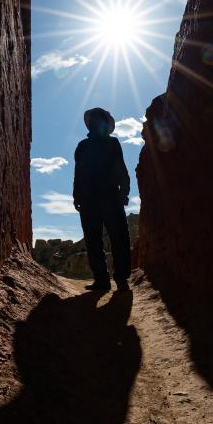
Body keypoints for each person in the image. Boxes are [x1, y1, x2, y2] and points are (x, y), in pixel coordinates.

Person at [72, 107, 132, 291]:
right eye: (94, 119)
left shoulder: (113, 143)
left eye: (99, 119)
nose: (96, 122)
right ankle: (102, 280)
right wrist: (76, 195)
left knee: (119, 238)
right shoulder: (82, 146)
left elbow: (121, 168)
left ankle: (121, 279)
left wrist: (124, 192)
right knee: (93, 240)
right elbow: (78, 173)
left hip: (110, 196)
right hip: (90, 199)